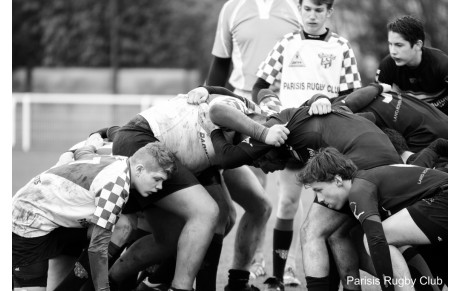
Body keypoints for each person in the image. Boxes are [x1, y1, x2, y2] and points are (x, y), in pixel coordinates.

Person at [202, 96, 402, 291]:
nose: (263, 168)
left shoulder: (273, 132)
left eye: (258, 161)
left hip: (368, 163)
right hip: (378, 158)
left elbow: (218, 119)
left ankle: (409, 281)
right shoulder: (292, 125)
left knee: (312, 232)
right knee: (338, 235)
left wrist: (217, 131)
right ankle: (409, 280)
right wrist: (321, 98)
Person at [97, 88, 287, 291]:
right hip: (146, 142)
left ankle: (131, 282)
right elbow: (218, 109)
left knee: (206, 224)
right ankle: (174, 286)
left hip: (189, 156)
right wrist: (264, 133)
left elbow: (264, 98)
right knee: (206, 213)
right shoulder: (243, 114)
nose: (265, 170)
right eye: (266, 162)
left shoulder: (261, 127)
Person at [251, 0, 362, 288]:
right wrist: (274, 109)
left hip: (330, 140)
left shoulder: (341, 47)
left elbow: (353, 97)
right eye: (308, 9)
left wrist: (330, 104)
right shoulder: (287, 43)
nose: (312, 16)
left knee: (327, 209)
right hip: (293, 136)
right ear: (300, 9)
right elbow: (261, 85)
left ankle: (328, 278)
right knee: (287, 203)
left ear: (329, 12)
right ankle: (279, 274)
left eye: (319, 10)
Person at [206, 0, 302, 284]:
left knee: (290, 197)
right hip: (243, 112)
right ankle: (253, 262)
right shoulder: (231, 8)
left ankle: (289, 265)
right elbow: (220, 65)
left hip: (286, 110)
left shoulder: (296, 8)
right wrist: (204, 96)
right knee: (256, 193)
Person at [12, 141, 176, 291]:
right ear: (140, 169)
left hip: (56, 220)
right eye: (157, 179)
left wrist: (95, 139)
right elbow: (97, 248)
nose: (159, 186)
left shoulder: (120, 161)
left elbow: (83, 153)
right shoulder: (117, 187)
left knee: (123, 224)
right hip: (29, 219)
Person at [297, 147, 448, 291]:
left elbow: (377, 240)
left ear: (337, 180)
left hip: (445, 198)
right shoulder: (366, 180)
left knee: (375, 239)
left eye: (319, 190)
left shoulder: (358, 191)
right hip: (442, 199)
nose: (320, 199)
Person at [333, 83, 448, 153]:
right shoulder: (362, 94)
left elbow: (369, 117)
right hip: (436, 118)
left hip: (426, 132)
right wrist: (380, 87)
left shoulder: (337, 113)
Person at [375, 15, 448, 115]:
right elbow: (376, 101)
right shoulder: (387, 65)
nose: (392, 51)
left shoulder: (443, 65)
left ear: (418, 45)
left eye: (399, 45)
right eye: (390, 44)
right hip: (415, 122)